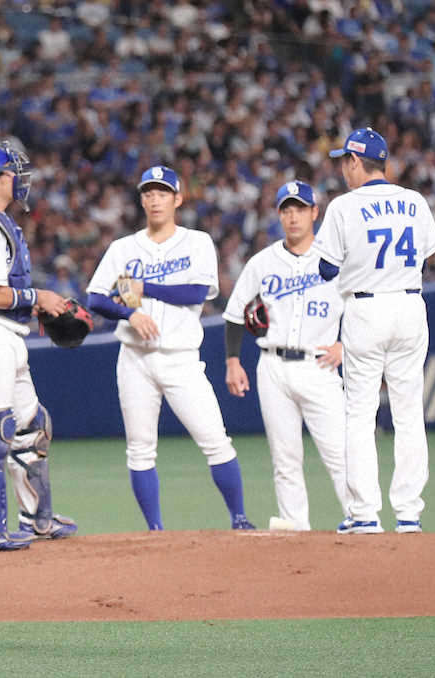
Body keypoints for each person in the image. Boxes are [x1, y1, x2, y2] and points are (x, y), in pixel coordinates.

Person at [85, 165, 256, 531]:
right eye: (148, 193)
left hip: (181, 359)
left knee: (216, 441)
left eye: (162, 193)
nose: (155, 199)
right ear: (142, 200)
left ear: (178, 199)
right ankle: (155, 530)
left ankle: (239, 519)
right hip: (135, 358)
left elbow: (197, 292)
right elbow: (95, 298)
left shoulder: (196, 242)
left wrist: (144, 288)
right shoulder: (123, 248)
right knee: (140, 449)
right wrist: (129, 314)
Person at [0, 140, 78, 551]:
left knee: (31, 426)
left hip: (3, 333)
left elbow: (3, 293)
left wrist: (33, 307)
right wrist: (39, 297)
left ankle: (37, 519)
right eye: (9, 171)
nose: (17, 178)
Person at [313, 128, 435, 534]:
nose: (343, 168)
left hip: (366, 308)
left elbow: (326, 268)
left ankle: (365, 513)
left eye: (345, 161)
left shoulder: (343, 206)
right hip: (409, 304)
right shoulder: (415, 201)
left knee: (360, 413)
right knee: (409, 412)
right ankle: (409, 514)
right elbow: (424, 259)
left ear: (355, 161)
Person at [222, 180, 349, 531]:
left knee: (340, 454)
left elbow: (362, 306)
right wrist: (233, 360)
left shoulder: (336, 260)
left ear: (314, 213)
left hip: (319, 365)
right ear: (279, 215)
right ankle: (295, 526)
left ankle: (361, 519)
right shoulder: (262, 262)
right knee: (285, 458)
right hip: (273, 366)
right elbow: (235, 313)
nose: (293, 217)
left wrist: (346, 345)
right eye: (286, 210)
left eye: (300, 209)